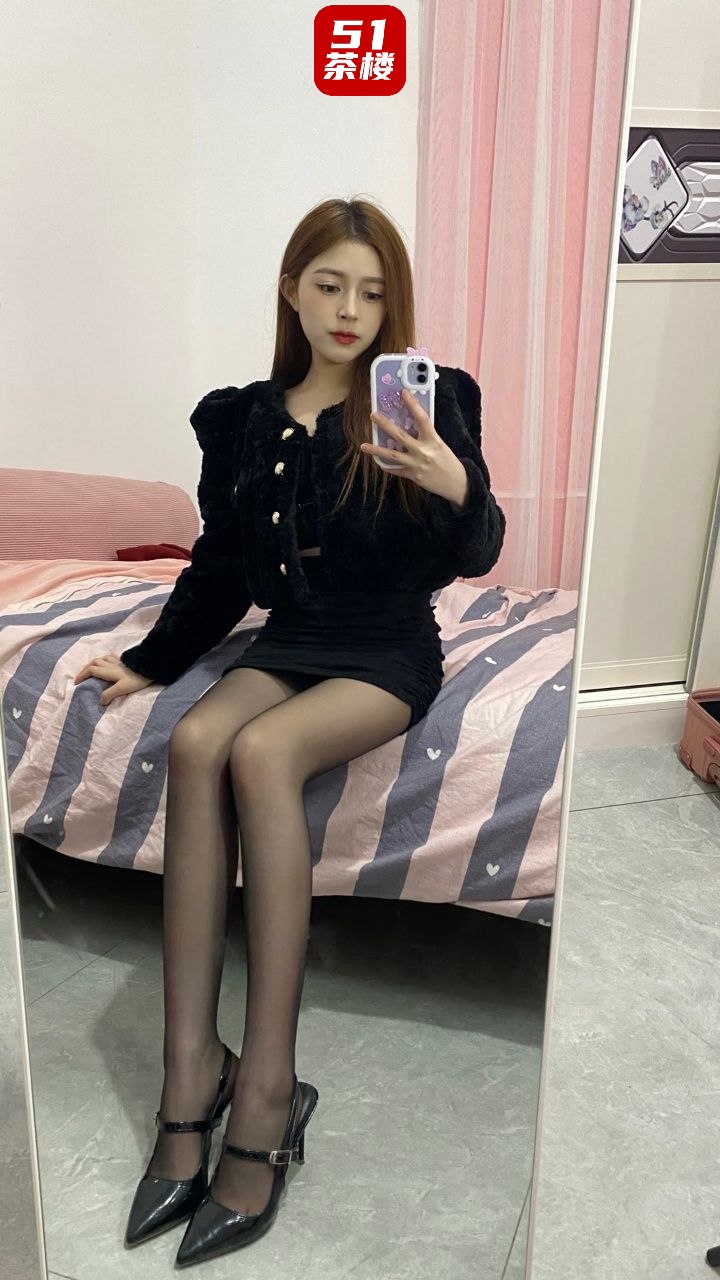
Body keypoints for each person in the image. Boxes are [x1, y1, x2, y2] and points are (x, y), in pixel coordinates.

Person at [72, 196, 505, 1268]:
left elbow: (473, 552)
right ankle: (192, 1070)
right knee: (194, 742)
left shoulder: (430, 400)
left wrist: (454, 483)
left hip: (387, 646)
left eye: (373, 292)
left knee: (262, 753)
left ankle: (268, 1087)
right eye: (330, 285)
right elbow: (221, 566)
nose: (351, 309)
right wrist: (150, 660)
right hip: (291, 638)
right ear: (291, 289)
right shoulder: (241, 419)